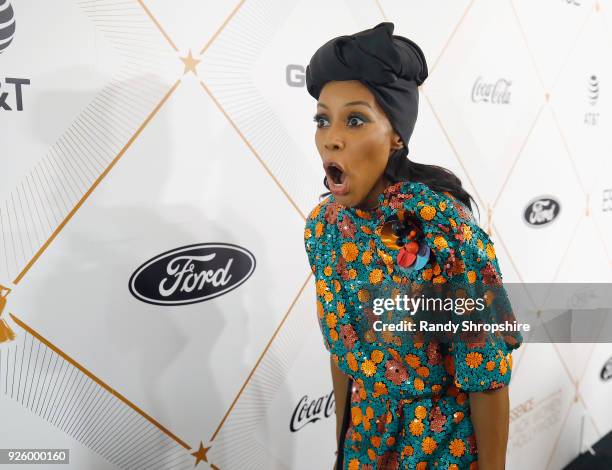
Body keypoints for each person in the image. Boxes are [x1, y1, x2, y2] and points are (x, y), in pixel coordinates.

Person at [303, 22, 523, 470]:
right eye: (323, 119)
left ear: (396, 135)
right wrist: (342, 450)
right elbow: (343, 355)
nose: (331, 137)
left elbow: (486, 374)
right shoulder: (322, 229)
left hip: (441, 446)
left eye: (356, 119)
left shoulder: (441, 227)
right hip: (365, 440)